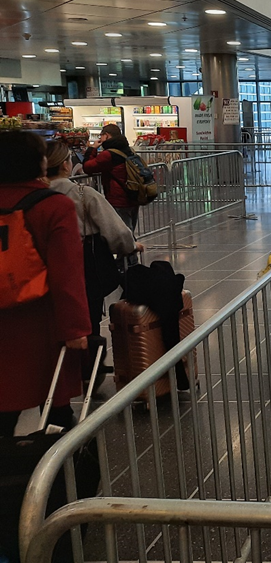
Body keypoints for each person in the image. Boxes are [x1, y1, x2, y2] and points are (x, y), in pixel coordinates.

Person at [0, 131, 90, 437]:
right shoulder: (53, 206)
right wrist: (76, 328)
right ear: (37, 162)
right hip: (40, 320)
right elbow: (67, 273)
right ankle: (59, 461)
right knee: (53, 400)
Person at [47, 141, 143, 379]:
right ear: (65, 165)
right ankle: (90, 368)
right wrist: (131, 246)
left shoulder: (34, 198)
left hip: (45, 268)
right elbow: (117, 232)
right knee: (88, 313)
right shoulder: (83, 194)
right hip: (86, 265)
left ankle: (62, 368)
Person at [82, 123, 140, 232]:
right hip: (132, 195)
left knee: (122, 233)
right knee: (129, 230)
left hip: (118, 199)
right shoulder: (128, 150)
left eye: (101, 136)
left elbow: (88, 167)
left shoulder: (108, 154)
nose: (100, 138)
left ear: (107, 135)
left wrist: (92, 149)